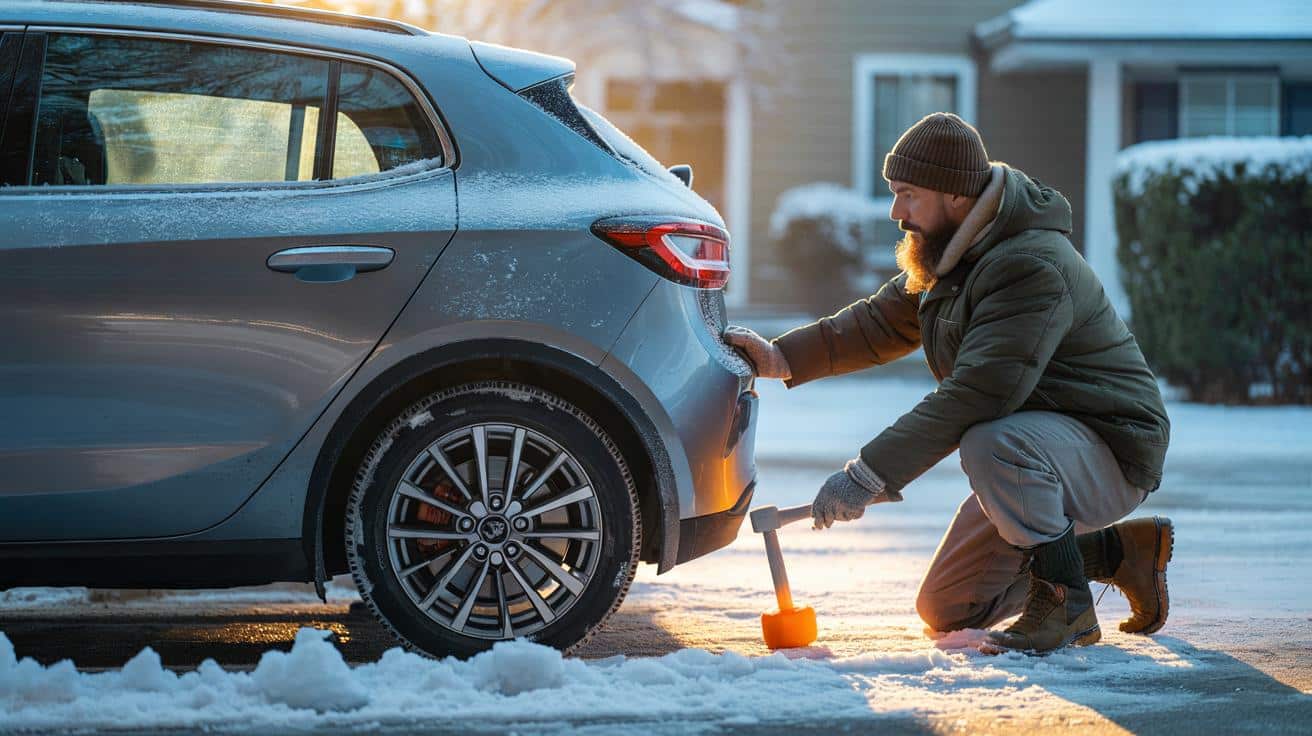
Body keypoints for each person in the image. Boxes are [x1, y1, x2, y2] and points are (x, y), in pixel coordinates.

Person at [725, 112, 1173, 655]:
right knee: (948, 608)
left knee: (989, 440)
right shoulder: (954, 251)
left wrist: (867, 475)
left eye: (909, 195)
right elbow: (880, 321)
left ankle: (1065, 607)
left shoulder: (1028, 266)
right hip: (1040, 450)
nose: (897, 212)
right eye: (895, 194)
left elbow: (979, 394)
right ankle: (1123, 553)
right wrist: (780, 358)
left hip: (1109, 446)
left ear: (956, 196)